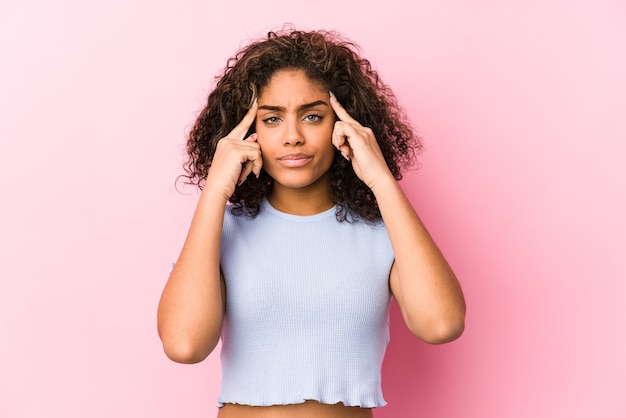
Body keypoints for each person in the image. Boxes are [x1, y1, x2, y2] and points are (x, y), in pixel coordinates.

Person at [157, 28, 466, 418]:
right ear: (246, 132)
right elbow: (184, 345)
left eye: (313, 116)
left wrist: (381, 180)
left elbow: (441, 324)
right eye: (271, 119)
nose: (292, 137)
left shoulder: (384, 233)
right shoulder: (222, 232)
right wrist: (214, 194)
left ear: (344, 126)